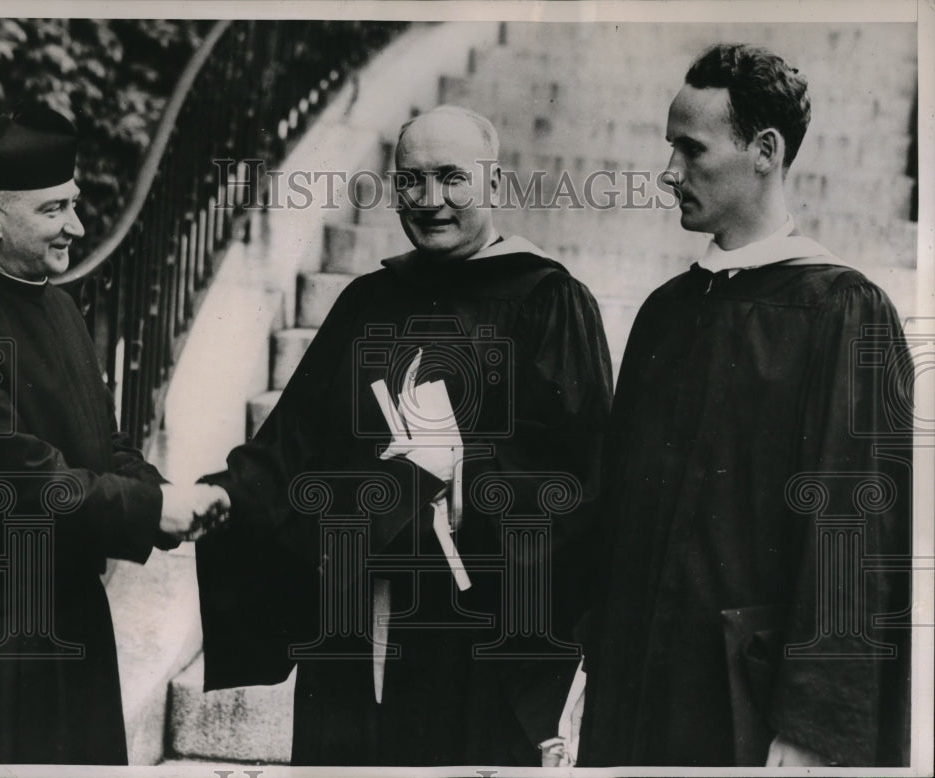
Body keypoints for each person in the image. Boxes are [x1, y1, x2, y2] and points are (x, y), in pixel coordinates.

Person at [196, 105, 613, 766]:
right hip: (354, 620)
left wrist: (466, 475)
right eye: (411, 181)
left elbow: (582, 475)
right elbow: (290, 442)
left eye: (452, 178)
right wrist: (225, 496)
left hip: (473, 630)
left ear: (495, 186)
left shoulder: (549, 303)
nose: (429, 200)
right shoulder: (367, 302)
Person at [577, 44, 912, 768]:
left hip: (745, 704)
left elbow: (853, 536)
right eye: (669, 148)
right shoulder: (666, 314)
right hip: (633, 693)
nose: (669, 174)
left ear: (765, 151)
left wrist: (814, 729)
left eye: (691, 150)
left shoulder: (841, 310)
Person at [0, 103, 230, 764]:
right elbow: (11, 478)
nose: (77, 227)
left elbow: (102, 443)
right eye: (54, 210)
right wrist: (146, 509)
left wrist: (161, 496)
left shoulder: (58, 304)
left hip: (77, 621)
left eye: (73, 204)